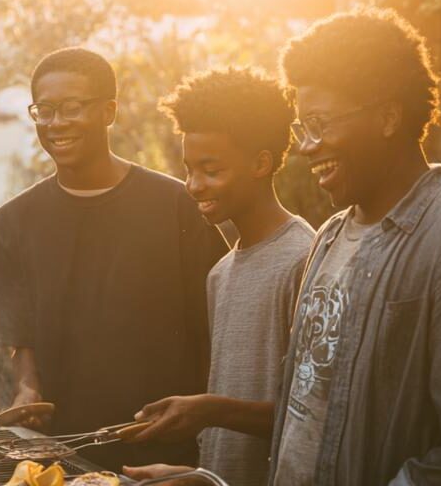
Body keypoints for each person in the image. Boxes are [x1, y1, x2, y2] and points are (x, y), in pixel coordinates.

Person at [0, 47, 227, 470]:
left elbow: (216, 330)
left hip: (165, 453)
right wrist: (27, 390)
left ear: (109, 110)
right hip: (59, 455)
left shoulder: (176, 205)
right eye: (45, 110)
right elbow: (21, 338)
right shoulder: (14, 221)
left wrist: (202, 427)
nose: (56, 123)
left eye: (72, 108)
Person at [269, 7, 441, 485]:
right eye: (301, 127)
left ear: (389, 116)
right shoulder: (329, 236)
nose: (306, 146)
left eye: (320, 123)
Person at [123, 67, 315, 486]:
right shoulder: (221, 274)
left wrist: (208, 410)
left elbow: (317, 413)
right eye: (189, 169)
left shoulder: (306, 259)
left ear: (261, 163)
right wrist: (197, 474)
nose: (193, 185)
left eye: (211, 170)